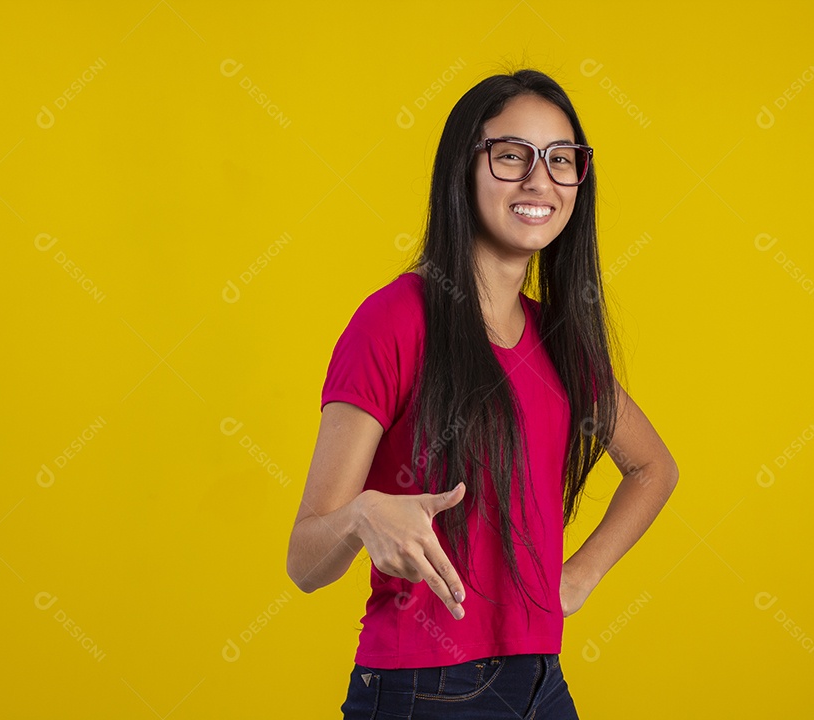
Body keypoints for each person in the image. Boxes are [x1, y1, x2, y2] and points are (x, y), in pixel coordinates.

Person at [286, 67, 679, 719]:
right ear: (462, 171)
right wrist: (364, 513)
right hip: (425, 692)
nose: (539, 180)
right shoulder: (397, 318)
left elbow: (653, 468)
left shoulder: (558, 340)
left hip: (540, 686)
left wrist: (576, 579)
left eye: (561, 160)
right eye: (510, 156)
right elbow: (305, 562)